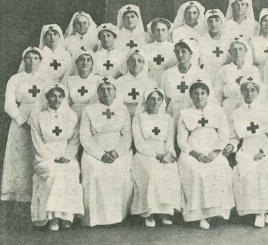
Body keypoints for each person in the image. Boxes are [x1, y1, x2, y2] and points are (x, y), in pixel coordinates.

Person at [223, 77, 268, 228]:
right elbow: (234, 137)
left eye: (252, 90)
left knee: (267, 167)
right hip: (247, 149)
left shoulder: (266, 111)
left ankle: (263, 212)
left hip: (265, 147)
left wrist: (263, 152)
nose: (249, 93)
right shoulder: (236, 113)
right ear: (241, 91)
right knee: (247, 170)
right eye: (245, 89)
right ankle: (258, 212)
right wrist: (230, 146)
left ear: (257, 92)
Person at [177, 81, 234, 229]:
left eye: (202, 93)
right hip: (192, 150)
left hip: (213, 148)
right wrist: (195, 154)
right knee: (196, 172)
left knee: (220, 167)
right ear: (191, 96)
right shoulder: (185, 114)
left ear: (208, 95)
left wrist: (216, 152)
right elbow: (181, 141)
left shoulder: (217, 111)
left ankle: (217, 212)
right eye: (195, 93)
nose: (199, 96)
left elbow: (224, 135)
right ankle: (200, 215)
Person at [79, 78, 133, 227]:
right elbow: (84, 136)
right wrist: (100, 154)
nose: (106, 92)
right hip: (95, 150)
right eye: (102, 89)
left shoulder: (123, 109)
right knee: (95, 172)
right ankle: (95, 217)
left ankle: (119, 216)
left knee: (120, 171)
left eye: (109, 89)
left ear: (115, 92)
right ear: (97, 92)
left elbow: (127, 135)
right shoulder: (88, 110)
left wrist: (116, 153)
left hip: (119, 150)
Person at [30, 84, 83, 231]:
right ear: (46, 98)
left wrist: (67, 156)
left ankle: (66, 216)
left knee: (71, 170)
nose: (57, 99)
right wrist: (49, 158)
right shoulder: (38, 118)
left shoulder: (71, 116)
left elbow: (74, 139)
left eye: (60, 96)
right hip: (45, 156)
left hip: (66, 155)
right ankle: (53, 217)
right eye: (53, 95)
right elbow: (37, 143)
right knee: (54, 172)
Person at [131, 87, 181, 228]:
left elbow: (169, 141)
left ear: (162, 101)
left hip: (164, 152)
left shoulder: (168, 118)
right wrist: (157, 155)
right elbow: (139, 142)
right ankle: (149, 213)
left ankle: (165, 212)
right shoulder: (138, 118)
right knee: (152, 174)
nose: (155, 102)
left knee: (171, 172)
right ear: (146, 101)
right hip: (145, 154)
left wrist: (169, 154)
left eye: (158, 99)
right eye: (151, 99)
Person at [1, 47, 47, 202]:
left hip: (40, 119)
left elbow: (49, 101)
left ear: (40, 61)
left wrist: (38, 121)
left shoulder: (46, 80)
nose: (32, 61)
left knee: (38, 154)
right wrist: (21, 120)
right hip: (20, 121)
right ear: (24, 60)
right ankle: (19, 195)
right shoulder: (15, 79)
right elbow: (9, 103)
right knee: (20, 156)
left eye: (35, 58)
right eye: (29, 57)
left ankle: (38, 194)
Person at [160, 38, 212, 127]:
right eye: (177, 52)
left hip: (193, 115)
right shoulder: (167, 74)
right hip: (173, 114)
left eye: (183, 51)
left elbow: (209, 99)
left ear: (191, 53)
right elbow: (163, 100)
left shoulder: (202, 74)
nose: (180, 55)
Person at [215, 37, 267, 118]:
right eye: (234, 49)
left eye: (240, 49)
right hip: (229, 108)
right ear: (229, 52)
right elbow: (217, 93)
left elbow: (259, 92)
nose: (237, 52)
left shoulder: (253, 69)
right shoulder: (224, 70)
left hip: (249, 108)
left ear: (245, 51)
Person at [115, 48, 157, 116]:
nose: (136, 63)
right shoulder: (119, 82)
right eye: (132, 61)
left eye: (139, 61)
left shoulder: (151, 83)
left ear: (144, 64)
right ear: (127, 63)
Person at [198, 9, 231, 87]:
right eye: (210, 21)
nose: (213, 24)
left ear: (222, 22)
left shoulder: (229, 40)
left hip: (225, 76)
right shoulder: (200, 40)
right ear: (206, 24)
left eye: (216, 20)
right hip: (206, 76)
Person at [64, 51, 101, 117]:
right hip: (72, 114)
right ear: (76, 63)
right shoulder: (68, 80)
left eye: (88, 60)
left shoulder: (98, 80)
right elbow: (65, 101)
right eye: (82, 59)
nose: (85, 62)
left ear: (92, 64)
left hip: (92, 113)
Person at [144, 18, 177, 85]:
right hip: (150, 80)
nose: (160, 33)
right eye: (157, 30)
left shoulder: (174, 48)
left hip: (169, 81)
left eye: (163, 30)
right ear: (153, 32)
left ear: (168, 32)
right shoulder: (146, 48)